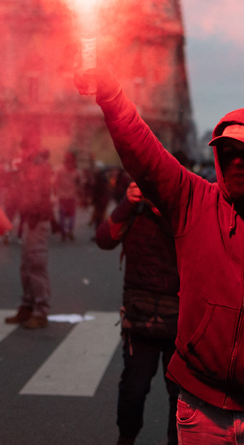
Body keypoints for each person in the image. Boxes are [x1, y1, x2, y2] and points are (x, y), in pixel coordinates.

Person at [76, 68, 244, 445]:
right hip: (201, 407)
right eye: (227, 152)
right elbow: (142, 151)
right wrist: (109, 94)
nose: (236, 162)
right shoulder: (195, 203)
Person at [97, 181, 181, 445]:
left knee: (180, 394)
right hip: (139, 316)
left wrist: (162, 209)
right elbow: (104, 239)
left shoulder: (183, 211)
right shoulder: (133, 209)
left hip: (179, 320)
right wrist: (128, 202)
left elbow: (197, 242)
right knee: (134, 389)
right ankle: (126, 437)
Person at [5, 136, 54, 329]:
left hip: (37, 219)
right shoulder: (27, 164)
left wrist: (29, 213)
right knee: (26, 264)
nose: (23, 151)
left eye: (25, 147)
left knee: (36, 264)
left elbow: (37, 192)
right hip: (30, 218)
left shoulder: (38, 165)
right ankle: (28, 305)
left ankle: (40, 310)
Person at [54, 151, 81, 242]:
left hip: (64, 197)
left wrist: (55, 191)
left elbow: (55, 182)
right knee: (71, 216)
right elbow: (78, 184)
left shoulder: (60, 169)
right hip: (70, 197)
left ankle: (64, 232)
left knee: (63, 215)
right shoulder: (75, 171)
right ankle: (69, 231)